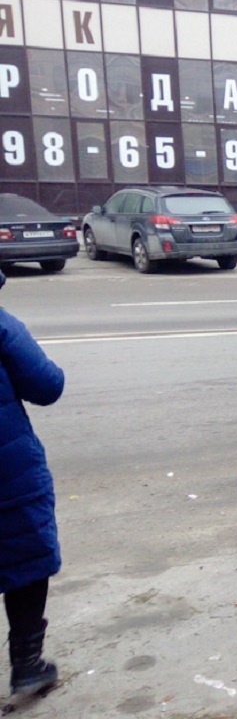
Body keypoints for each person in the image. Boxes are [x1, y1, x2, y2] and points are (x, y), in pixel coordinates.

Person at [0, 270, 64, 695]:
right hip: (7, 472)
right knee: (23, 556)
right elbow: (47, 384)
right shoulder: (2, 324)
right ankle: (26, 666)